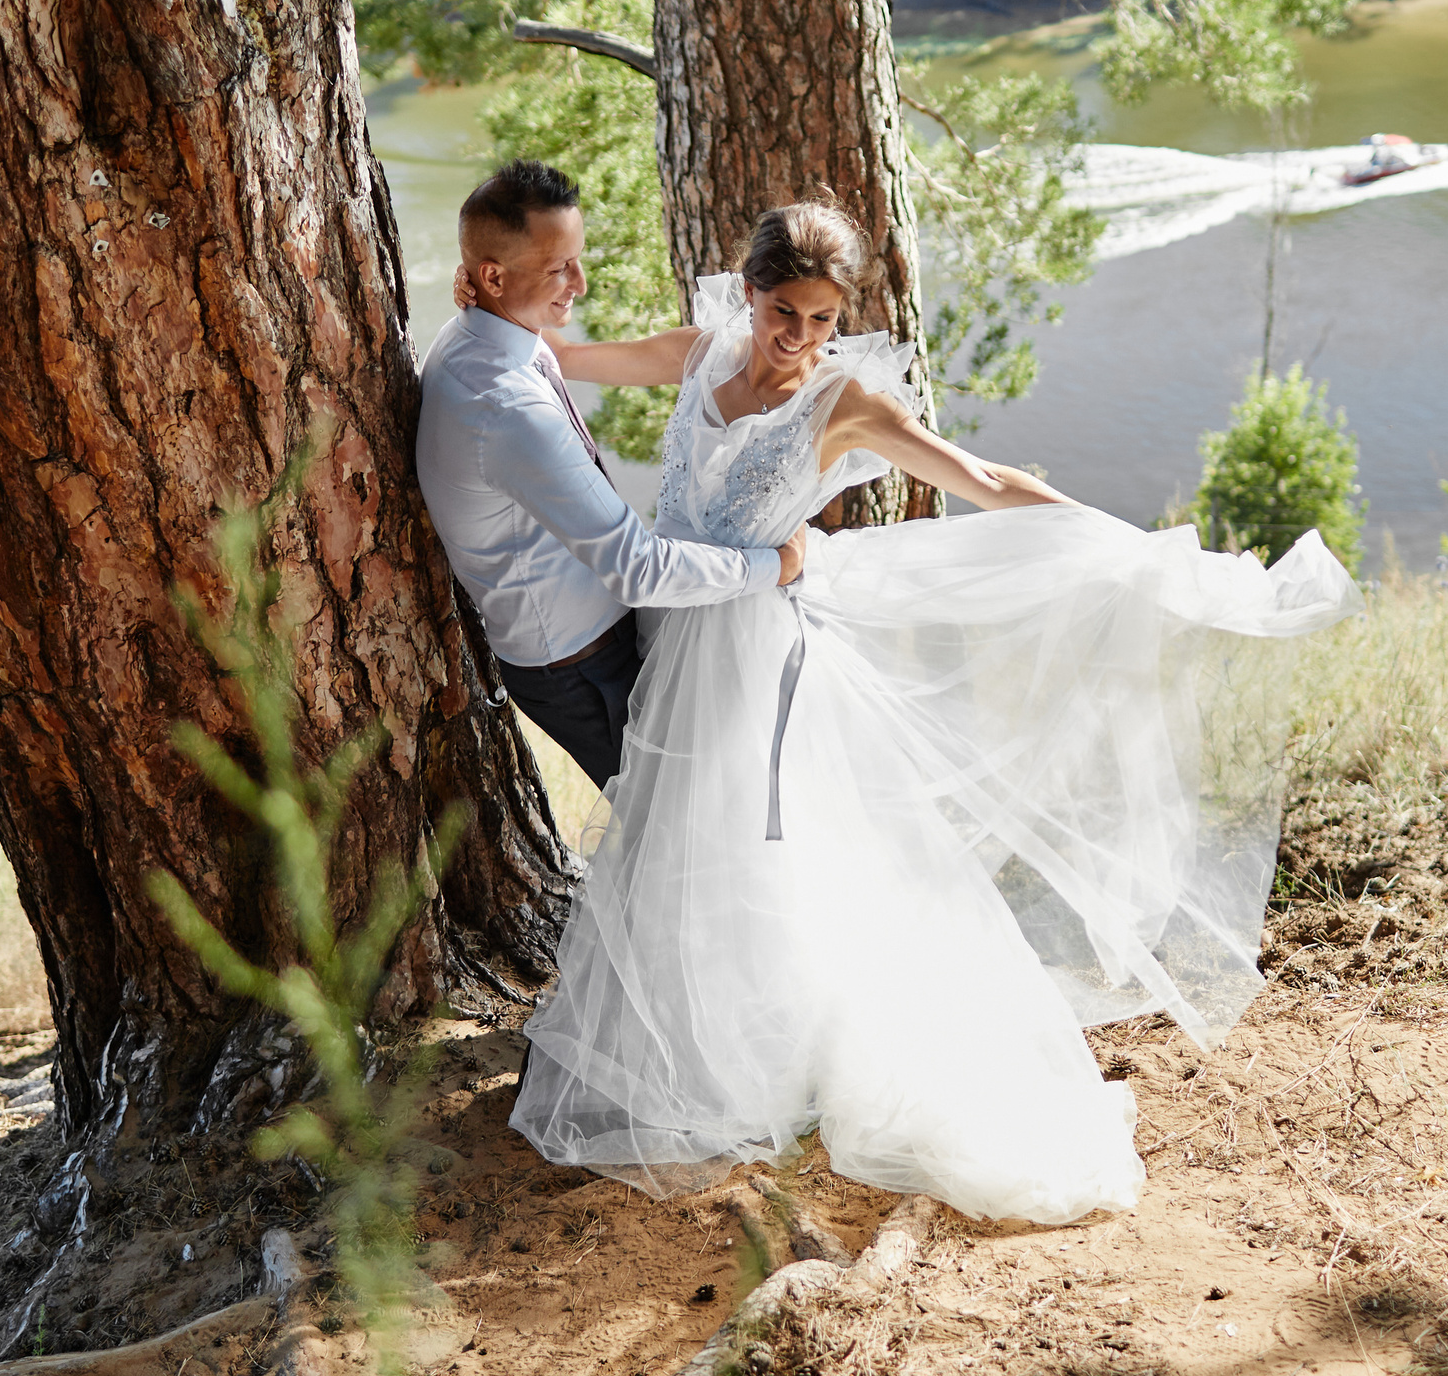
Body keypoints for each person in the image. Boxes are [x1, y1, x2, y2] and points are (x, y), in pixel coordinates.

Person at [506, 199, 1362, 1225]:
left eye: (823, 320)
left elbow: (984, 480)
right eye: (784, 313)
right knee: (687, 841)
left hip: (750, 654)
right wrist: (496, 327)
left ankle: (791, 1059)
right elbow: (567, 359)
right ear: (750, 295)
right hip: (670, 639)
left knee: (750, 838)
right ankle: (726, 1037)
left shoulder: (845, 405)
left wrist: (1133, 548)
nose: (800, 339)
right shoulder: (702, 354)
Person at [416, 161, 809, 788]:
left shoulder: (485, 333)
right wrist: (773, 567)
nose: (582, 283)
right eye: (559, 268)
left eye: (578, 258)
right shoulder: (505, 409)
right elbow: (638, 567)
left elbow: (618, 356)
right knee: (674, 823)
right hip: (579, 665)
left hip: (598, 635)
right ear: (490, 275)